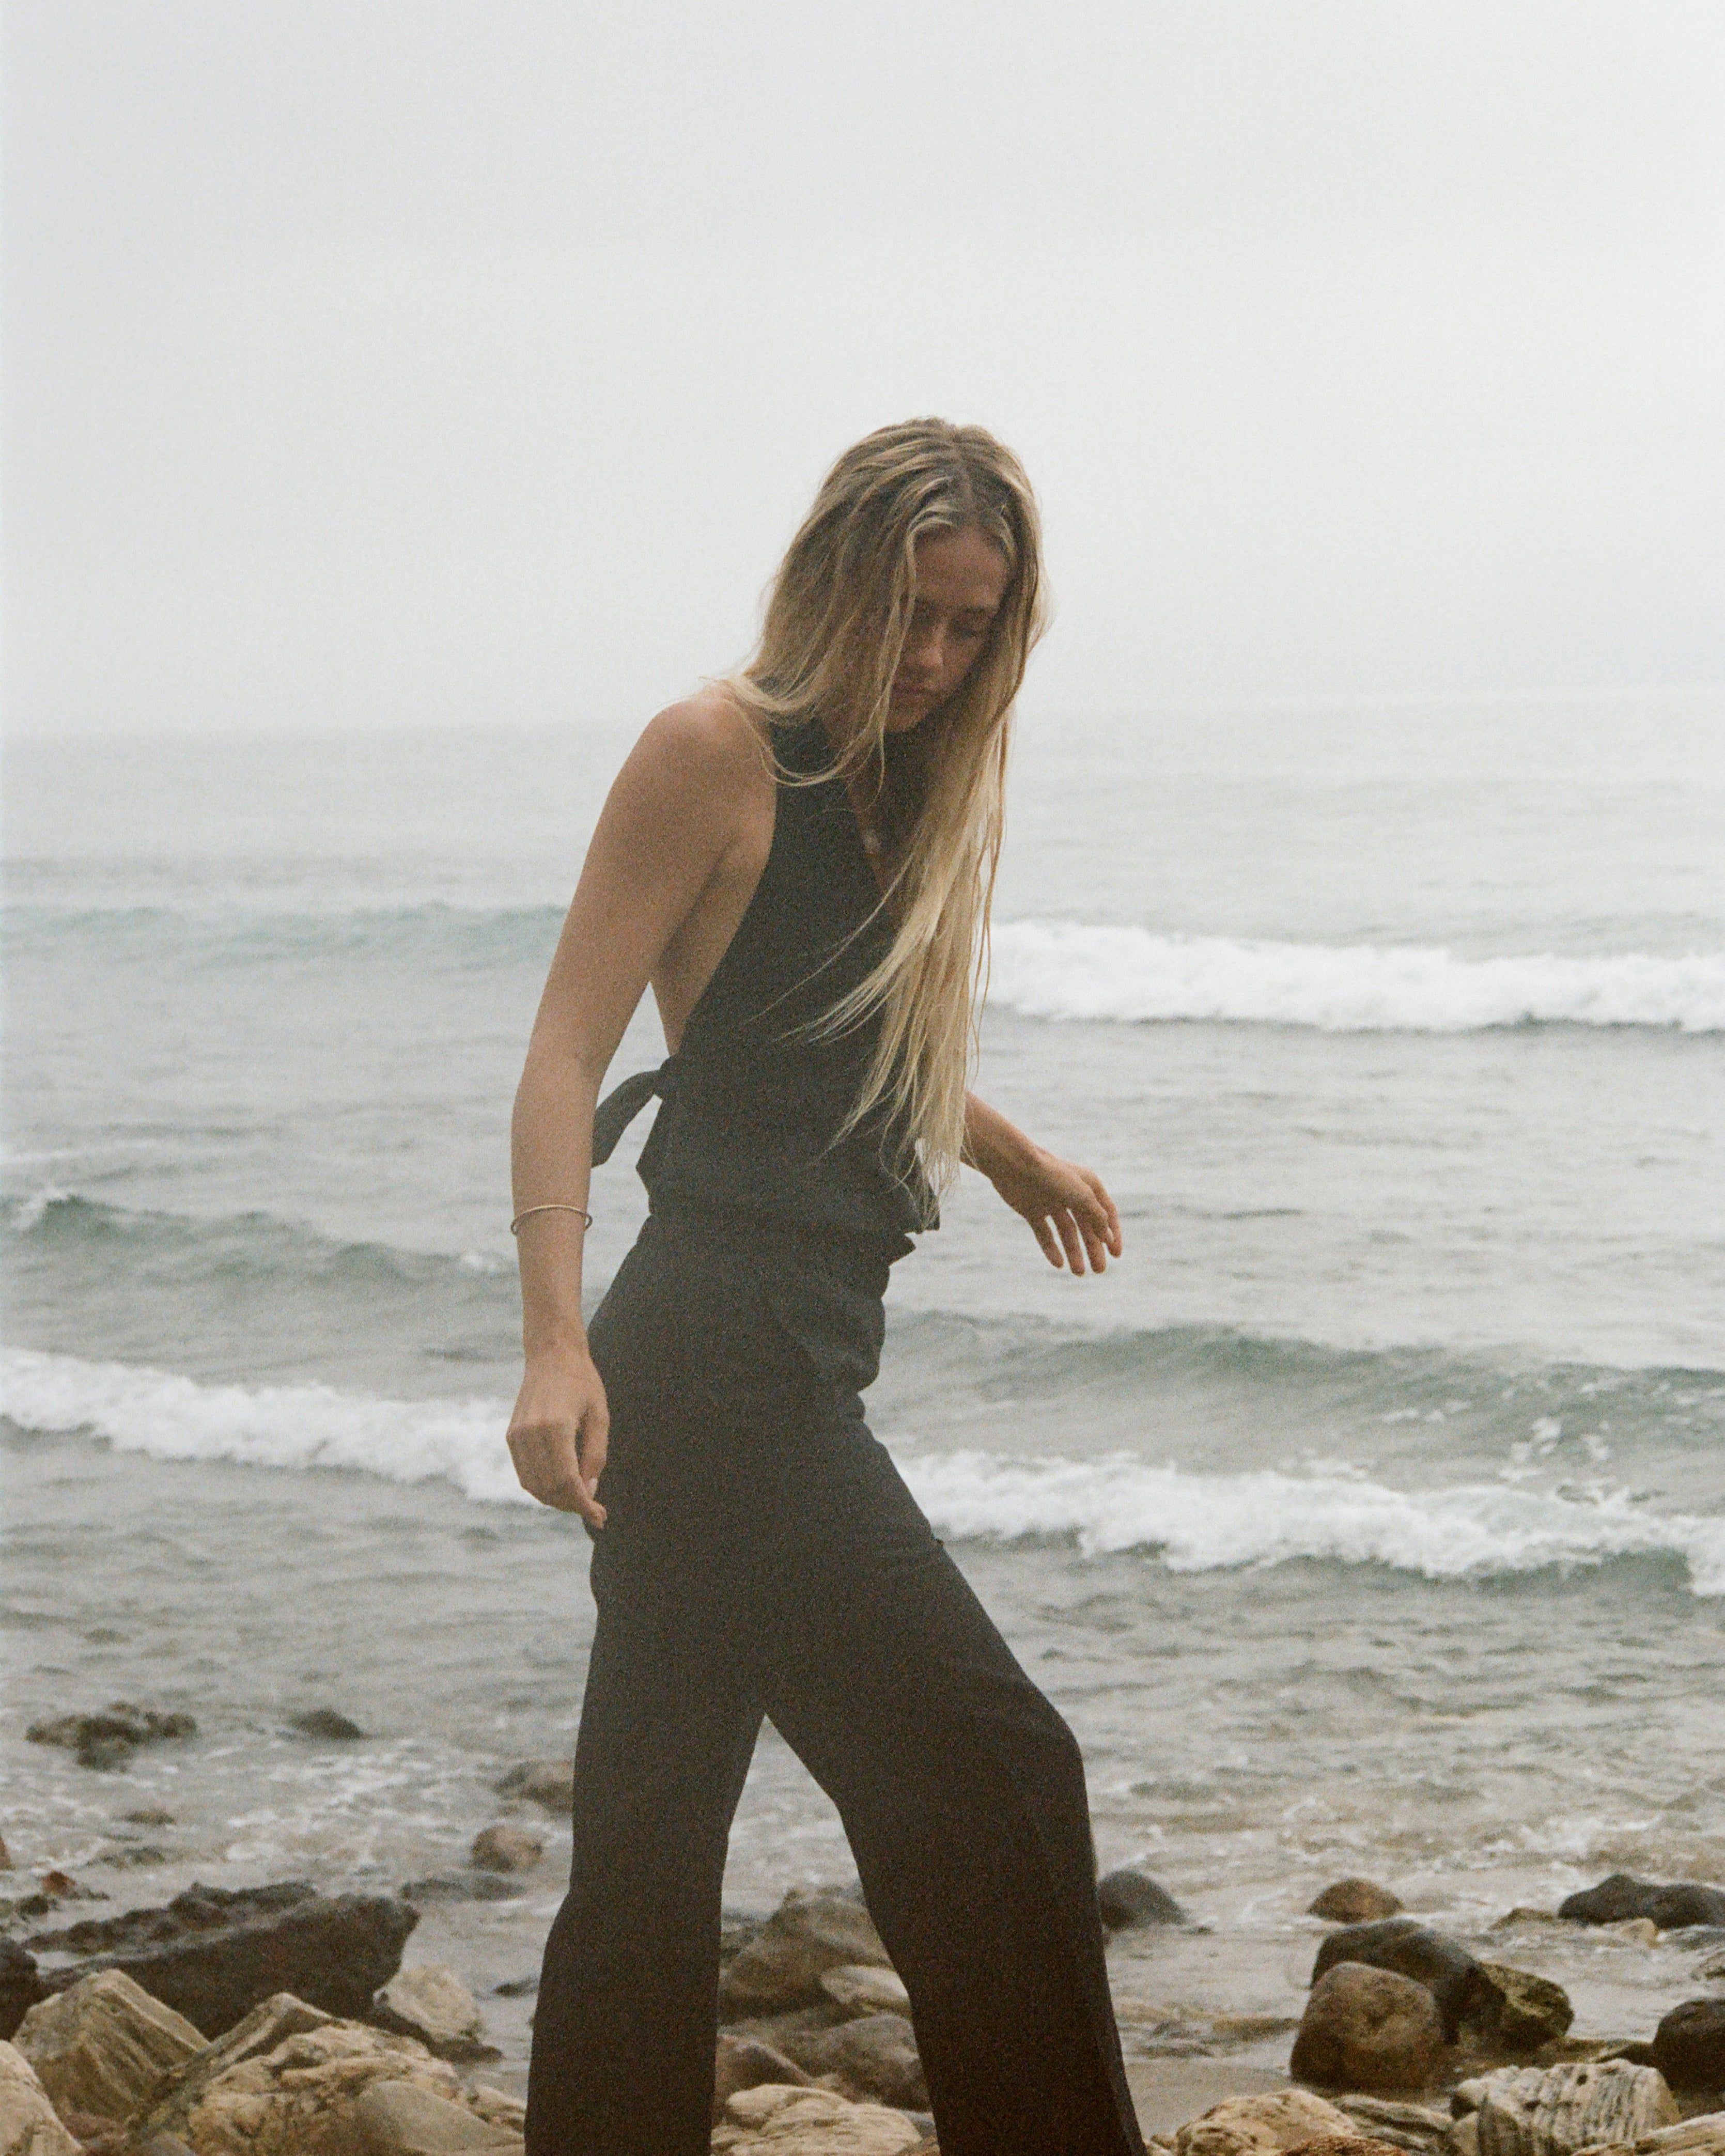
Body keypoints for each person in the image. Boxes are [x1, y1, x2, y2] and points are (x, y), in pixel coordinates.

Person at [507, 418, 1144, 2155]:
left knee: (646, 1855)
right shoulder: (713, 751)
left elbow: (846, 1032)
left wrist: (999, 1151)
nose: (933, 661)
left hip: (761, 1358)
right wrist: (550, 1346)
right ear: (834, 584)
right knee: (1003, 1776)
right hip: (716, 1369)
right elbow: (566, 1051)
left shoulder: (902, 784)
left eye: (967, 628)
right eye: (909, 616)